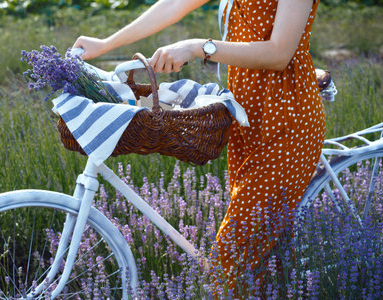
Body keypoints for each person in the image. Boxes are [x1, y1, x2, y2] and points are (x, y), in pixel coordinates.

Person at [73, 0, 326, 294]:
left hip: (286, 123)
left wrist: (197, 47)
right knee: (264, 258)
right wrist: (104, 44)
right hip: (244, 117)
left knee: (231, 256)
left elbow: (279, 53)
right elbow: (174, 4)